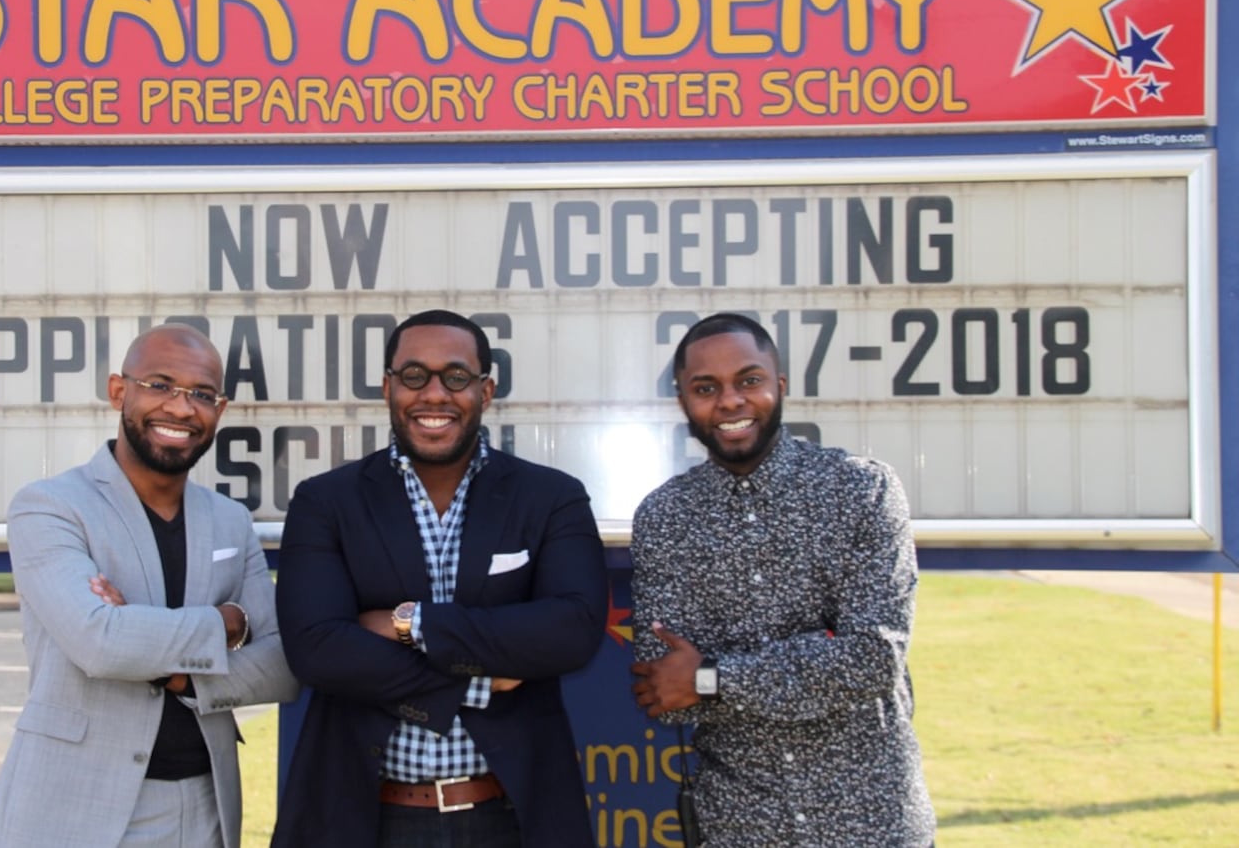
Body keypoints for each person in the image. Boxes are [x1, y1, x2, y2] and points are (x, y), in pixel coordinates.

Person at [272, 309, 608, 847]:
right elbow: (317, 648)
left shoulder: (551, 497)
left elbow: (572, 629)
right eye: (413, 376)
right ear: (388, 387)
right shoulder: (325, 502)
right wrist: (475, 679)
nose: (434, 394)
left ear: (485, 390)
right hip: (363, 819)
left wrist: (409, 623)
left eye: (455, 377)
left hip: (512, 816)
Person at [0, 323, 297, 848]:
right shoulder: (50, 506)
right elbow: (100, 643)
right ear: (119, 391)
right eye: (160, 384)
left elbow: (283, 665)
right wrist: (227, 623)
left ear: (220, 409)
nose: (180, 407)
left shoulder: (230, 521)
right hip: (74, 804)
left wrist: (177, 675)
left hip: (204, 806)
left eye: (201, 394)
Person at [629, 312, 935, 847]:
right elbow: (664, 691)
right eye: (706, 387)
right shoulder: (664, 518)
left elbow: (872, 659)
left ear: (780, 386)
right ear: (682, 399)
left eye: (749, 380)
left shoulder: (861, 492)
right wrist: (817, 656)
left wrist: (712, 676)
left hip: (873, 824)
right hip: (741, 827)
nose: (729, 401)